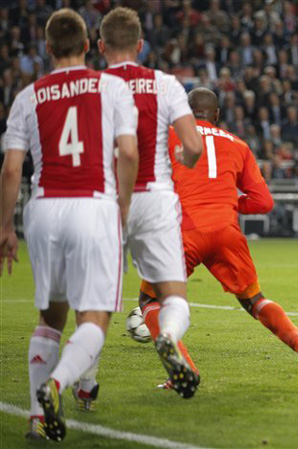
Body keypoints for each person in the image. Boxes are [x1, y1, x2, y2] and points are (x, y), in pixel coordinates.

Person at [139, 87, 298, 391]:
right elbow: (264, 203)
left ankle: (182, 367)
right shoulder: (238, 144)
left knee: (150, 299)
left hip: (184, 230)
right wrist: (230, 204)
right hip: (226, 230)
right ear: (217, 115)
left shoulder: (167, 137)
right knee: (255, 301)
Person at [0, 9, 138, 441]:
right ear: (86, 46)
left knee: (50, 318)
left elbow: (10, 169)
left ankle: (38, 419)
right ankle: (57, 386)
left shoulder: (28, 96)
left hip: (43, 210)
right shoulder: (110, 86)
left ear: (46, 48)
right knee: (94, 319)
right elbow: (129, 153)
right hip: (92, 206)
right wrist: (123, 205)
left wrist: (6, 227)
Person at [77, 7, 202, 403]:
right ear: (141, 45)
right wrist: (182, 158)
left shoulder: (92, 85)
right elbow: (194, 147)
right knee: (173, 296)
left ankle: (86, 386)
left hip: (106, 200)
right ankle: (166, 336)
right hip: (157, 198)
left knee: (95, 301)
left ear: (99, 46)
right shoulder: (165, 84)